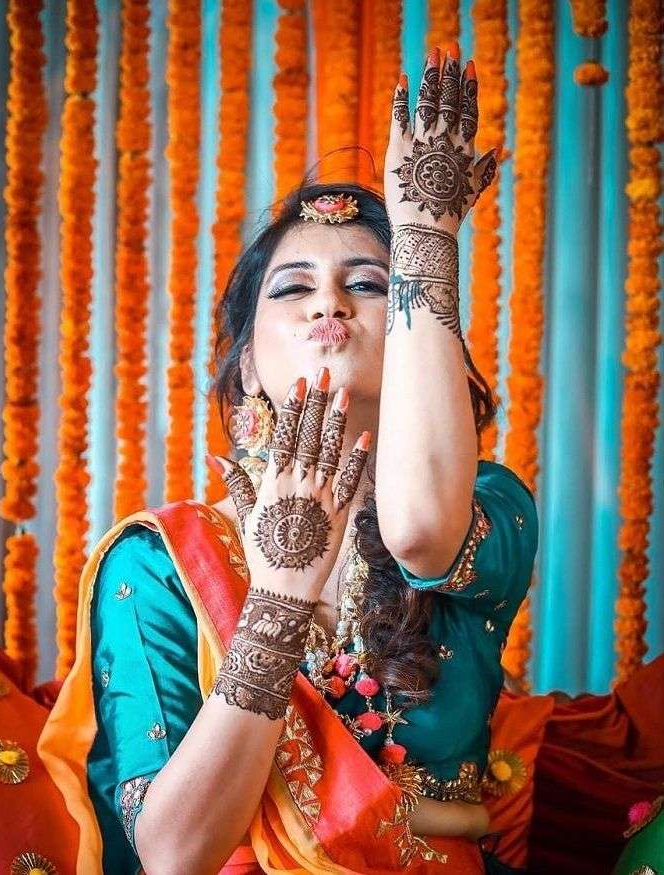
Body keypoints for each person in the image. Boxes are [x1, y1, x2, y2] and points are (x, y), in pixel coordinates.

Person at [39, 42, 538, 874]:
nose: (330, 303)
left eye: (370, 284)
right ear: (245, 364)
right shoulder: (161, 563)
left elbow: (419, 532)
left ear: (423, 339)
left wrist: (423, 239)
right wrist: (276, 598)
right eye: (292, 286)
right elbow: (173, 852)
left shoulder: (491, 508)